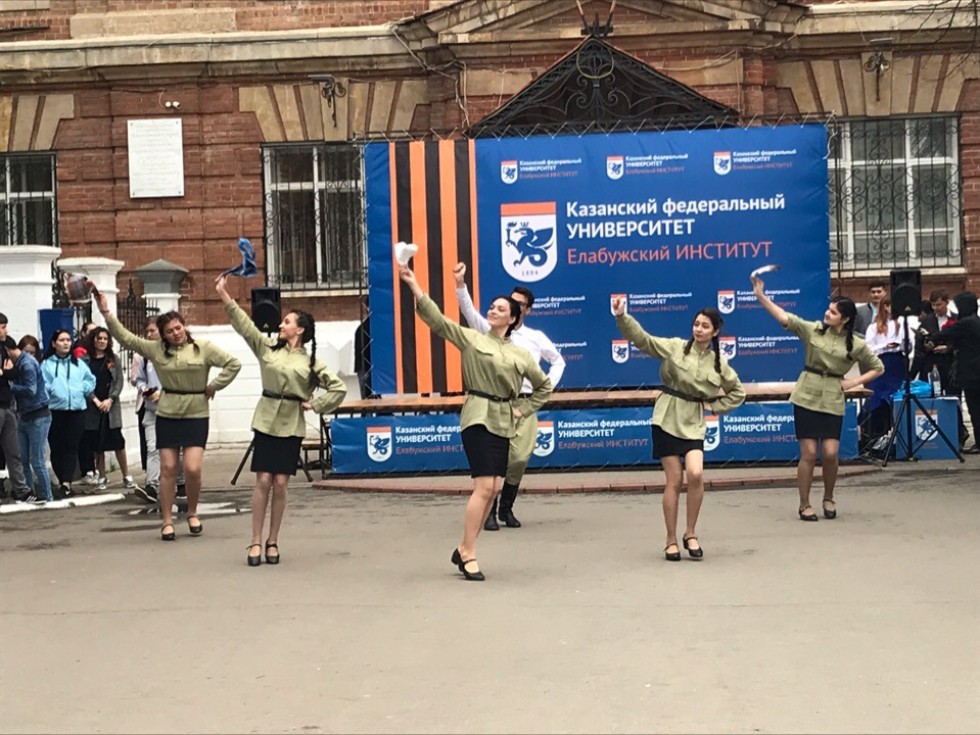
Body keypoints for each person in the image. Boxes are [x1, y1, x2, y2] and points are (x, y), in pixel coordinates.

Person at [398, 263, 552, 581]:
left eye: (501, 309)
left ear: (513, 319)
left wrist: (523, 409)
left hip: (504, 419)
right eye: (492, 307)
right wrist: (414, 285)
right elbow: (438, 321)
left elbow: (544, 386)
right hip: (478, 415)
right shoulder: (473, 339)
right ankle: (468, 553)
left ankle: (463, 547)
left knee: (494, 487)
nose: (493, 311)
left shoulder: (522, 354)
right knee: (483, 487)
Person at [216, 276, 348, 566]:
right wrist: (224, 295)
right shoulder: (268, 347)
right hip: (266, 420)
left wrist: (315, 404)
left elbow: (338, 388)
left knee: (281, 483)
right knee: (263, 479)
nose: (281, 325)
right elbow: (245, 327)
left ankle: (273, 540)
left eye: (287, 322)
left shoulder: (311, 362)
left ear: (299, 329)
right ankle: (255, 540)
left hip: (291, 424)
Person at [97, 291, 241, 541]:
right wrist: (106, 312)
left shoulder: (203, 348)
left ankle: (192, 513)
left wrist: (214, 386)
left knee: (193, 468)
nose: (176, 333)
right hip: (168, 414)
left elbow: (233, 364)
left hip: (196, 413)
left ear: (184, 326)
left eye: (178, 328)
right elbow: (126, 338)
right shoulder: (156, 350)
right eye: (170, 331)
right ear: (163, 335)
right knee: (168, 468)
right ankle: (166, 520)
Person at [613, 301, 745, 561]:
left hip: (693, 423)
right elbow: (644, 340)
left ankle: (690, 533)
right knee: (674, 480)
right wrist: (622, 316)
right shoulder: (675, 346)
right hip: (666, 418)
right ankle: (670, 540)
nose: (699, 329)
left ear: (715, 331)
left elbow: (738, 393)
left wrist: (714, 407)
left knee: (695, 473)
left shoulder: (720, 363)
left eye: (705, 326)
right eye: (696, 324)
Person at [752, 275, 883, 521]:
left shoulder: (856, 343)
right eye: (828, 309)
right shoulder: (813, 330)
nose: (827, 313)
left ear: (845, 319)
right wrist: (760, 296)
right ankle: (804, 503)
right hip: (807, 395)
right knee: (810, 453)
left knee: (831, 452)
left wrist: (852, 382)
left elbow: (878, 367)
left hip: (832, 398)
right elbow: (784, 317)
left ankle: (829, 497)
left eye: (833, 312)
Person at [452, 262, 565, 531]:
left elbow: (558, 361)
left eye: (520, 304)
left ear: (526, 310)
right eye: (511, 300)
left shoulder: (535, 337)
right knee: (495, 458)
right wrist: (460, 284)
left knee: (519, 458)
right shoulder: (490, 330)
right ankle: (489, 511)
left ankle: (507, 507)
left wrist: (546, 386)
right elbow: (468, 312)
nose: (514, 305)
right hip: (496, 402)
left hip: (524, 402)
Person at [130, 318, 185, 504]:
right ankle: (151, 486)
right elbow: (139, 379)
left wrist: (163, 393)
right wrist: (144, 388)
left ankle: (181, 483)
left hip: (174, 410)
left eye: (152, 331)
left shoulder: (175, 353)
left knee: (176, 449)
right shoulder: (145, 356)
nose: (148, 335)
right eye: (147, 332)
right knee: (153, 448)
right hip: (151, 410)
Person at [79, 327, 138, 493]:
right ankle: (102, 476)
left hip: (111, 407)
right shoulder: (85, 360)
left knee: (118, 441)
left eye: (105, 339)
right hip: (93, 407)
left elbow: (119, 382)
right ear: (93, 340)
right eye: (99, 338)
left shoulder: (113, 359)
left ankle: (126, 475)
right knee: (97, 444)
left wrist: (110, 399)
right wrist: (96, 400)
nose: (102, 341)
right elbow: (83, 383)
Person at [41, 328, 96, 499]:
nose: (65, 343)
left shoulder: (78, 363)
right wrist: (53, 390)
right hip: (56, 411)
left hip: (77, 411)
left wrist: (81, 389)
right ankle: (61, 480)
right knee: (57, 447)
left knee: (71, 447)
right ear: (54, 343)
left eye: (68, 340)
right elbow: (43, 384)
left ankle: (66, 483)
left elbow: (90, 380)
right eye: (61, 340)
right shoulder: (47, 364)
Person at [910, 289, 969, 448]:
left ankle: (958, 434)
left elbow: (962, 341)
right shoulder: (927, 320)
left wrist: (948, 348)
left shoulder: (956, 319)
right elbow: (920, 343)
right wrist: (927, 346)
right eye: (933, 305)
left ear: (946, 302)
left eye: (939, 304)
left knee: (953, 400)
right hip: (932, 364)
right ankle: (933, 437)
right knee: (931, 400)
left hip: (951, 366)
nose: (936, 308)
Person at [926, 292, 980, 454]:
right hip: (975, 371)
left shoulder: (966, 322)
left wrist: (931, 339)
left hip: (972, 373)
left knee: (975, 408)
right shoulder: (976, 321)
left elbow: (947, 332)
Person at [8, 336, 53, 503]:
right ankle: (31, 494)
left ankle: (47, 496)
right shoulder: (20, 363)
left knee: (37, 460)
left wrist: (11, 386)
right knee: (24, 459)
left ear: (7, 350)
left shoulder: (26, 364)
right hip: (25, 414)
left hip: (38, 415)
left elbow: (31, 390)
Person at [859, 298, 908, 450]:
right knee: (877, 397)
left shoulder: (902, 324)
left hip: (898, 363)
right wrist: (885, 346)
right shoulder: (874, 327)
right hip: (881, 363)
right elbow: (869, 348)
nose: (890, 309)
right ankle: (874, 435)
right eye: (887, 305)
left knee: (895, 396)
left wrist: (900, 345)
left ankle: (895, 436)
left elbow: (908, 346)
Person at [0, 317, 35, 504]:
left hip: (8, 405)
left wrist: (4, 373)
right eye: (3, 327)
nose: (6, 331)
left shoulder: (4, 347)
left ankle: (22, 491)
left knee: (13, 451)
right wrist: (5, 373)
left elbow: (14, 372)